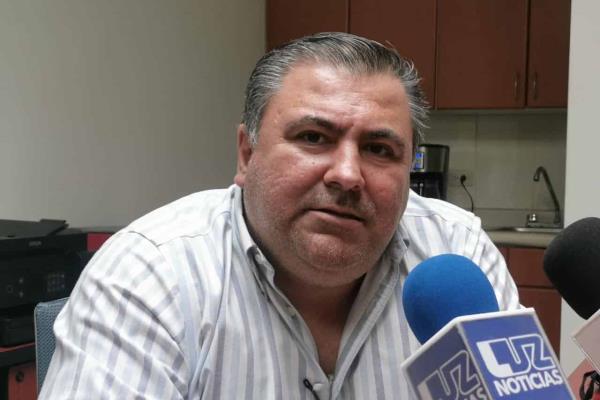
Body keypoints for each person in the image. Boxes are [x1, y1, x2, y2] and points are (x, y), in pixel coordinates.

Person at [39, 32, 519, 399]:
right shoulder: (151, 271)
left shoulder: (458, 252)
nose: (347, 175)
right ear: (247, 154)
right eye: (313, 138)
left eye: (378, 149)